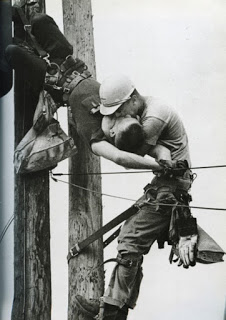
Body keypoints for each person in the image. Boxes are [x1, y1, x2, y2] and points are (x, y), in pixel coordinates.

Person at [4, 8, 198, 320]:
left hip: (56, 81)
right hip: (69, 63)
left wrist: (160, 165)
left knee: (130, 241)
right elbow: (156, 149)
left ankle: (112, 311)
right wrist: (160, 164)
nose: (114, 120)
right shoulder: (118, 103)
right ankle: (114, 307)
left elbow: (124, 155)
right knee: (37, 22)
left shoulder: (97, 134)